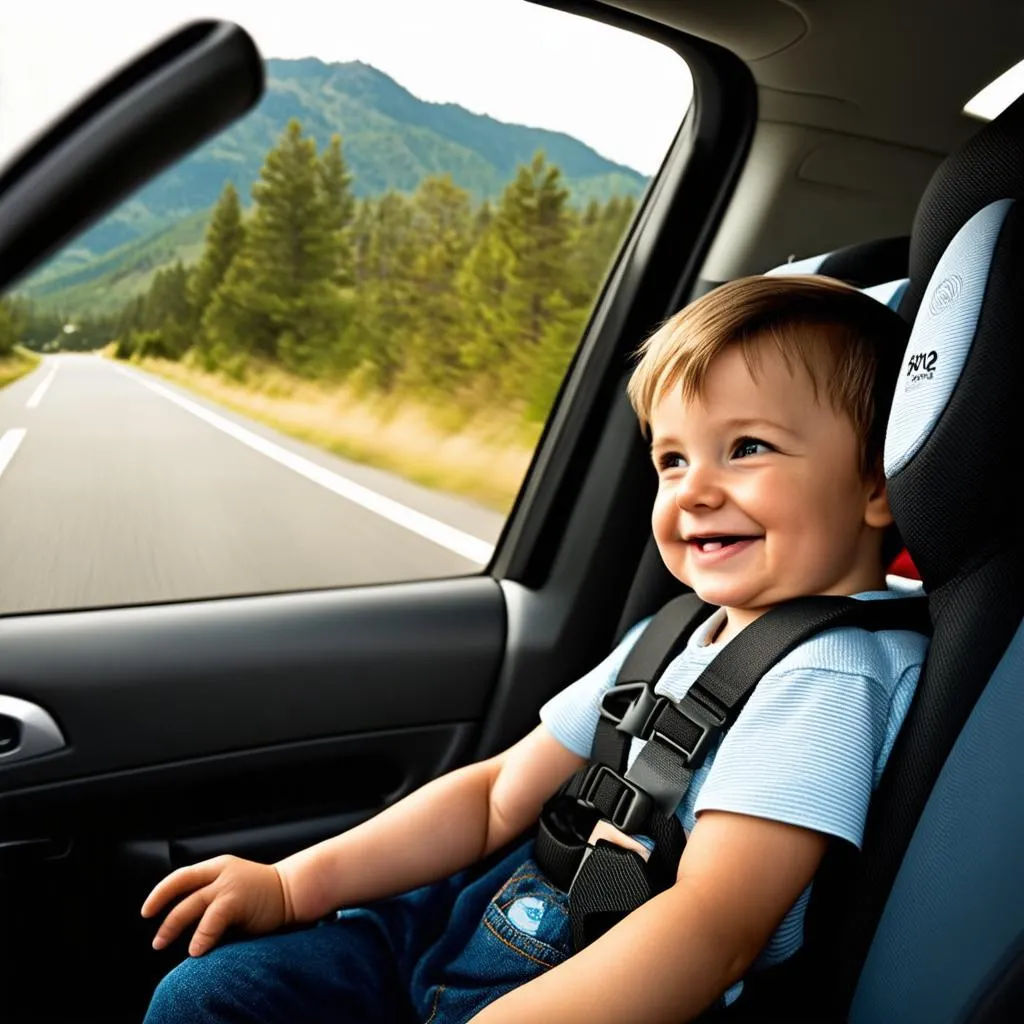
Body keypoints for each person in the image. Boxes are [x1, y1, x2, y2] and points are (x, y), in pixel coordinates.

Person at [141, 275, 928, 1024]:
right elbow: (495, 798)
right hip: (467, 921)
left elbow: (716, 924)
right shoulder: (680, 630)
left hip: (587, 982)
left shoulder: (830, 676)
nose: (693, 490)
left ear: (877, 482)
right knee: (209, 995)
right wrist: (292, 884)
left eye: (749, 447)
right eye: (672, 459)